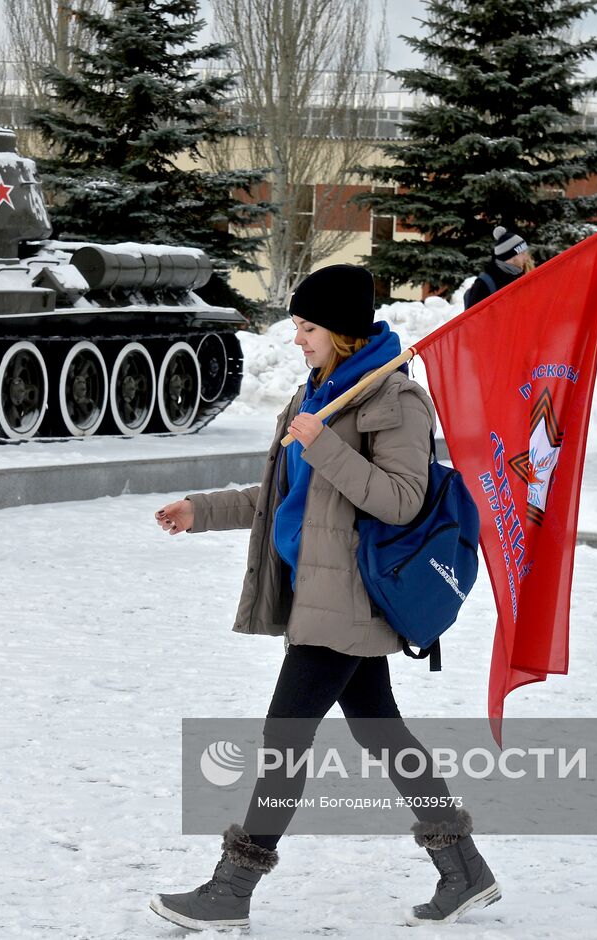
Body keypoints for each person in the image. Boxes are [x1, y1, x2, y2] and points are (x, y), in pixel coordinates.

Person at [148, 263, 500, 931]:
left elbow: (401, 501)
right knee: (380, 730)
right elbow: (287, 499)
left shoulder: (392, 400)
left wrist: (325, 446)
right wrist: (203, 509)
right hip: (322, 592)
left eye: (307, 327)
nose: (297, 339)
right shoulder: (322, 392)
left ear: (338, 331)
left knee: (284, 737)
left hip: (353, 599)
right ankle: (464, 869)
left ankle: (233, 888)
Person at [461, 224, 535, 309]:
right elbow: (473, 319)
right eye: (522, 253)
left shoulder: (519, 275)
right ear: (510, 256)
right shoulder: (484, 284)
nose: (526, 257)